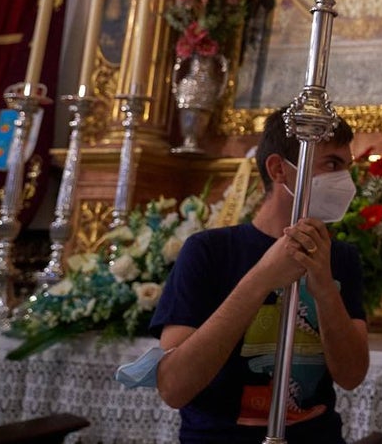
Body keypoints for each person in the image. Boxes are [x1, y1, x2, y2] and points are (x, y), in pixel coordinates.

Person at [152, 107, 369, 443]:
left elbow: (352, 375)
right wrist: (262, 277)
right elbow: (173, 387)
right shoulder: (208, 251)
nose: (345, 182)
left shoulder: (341, 257)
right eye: (331, 164)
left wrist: (325, 287)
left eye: (346, 167)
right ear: (279, 170)